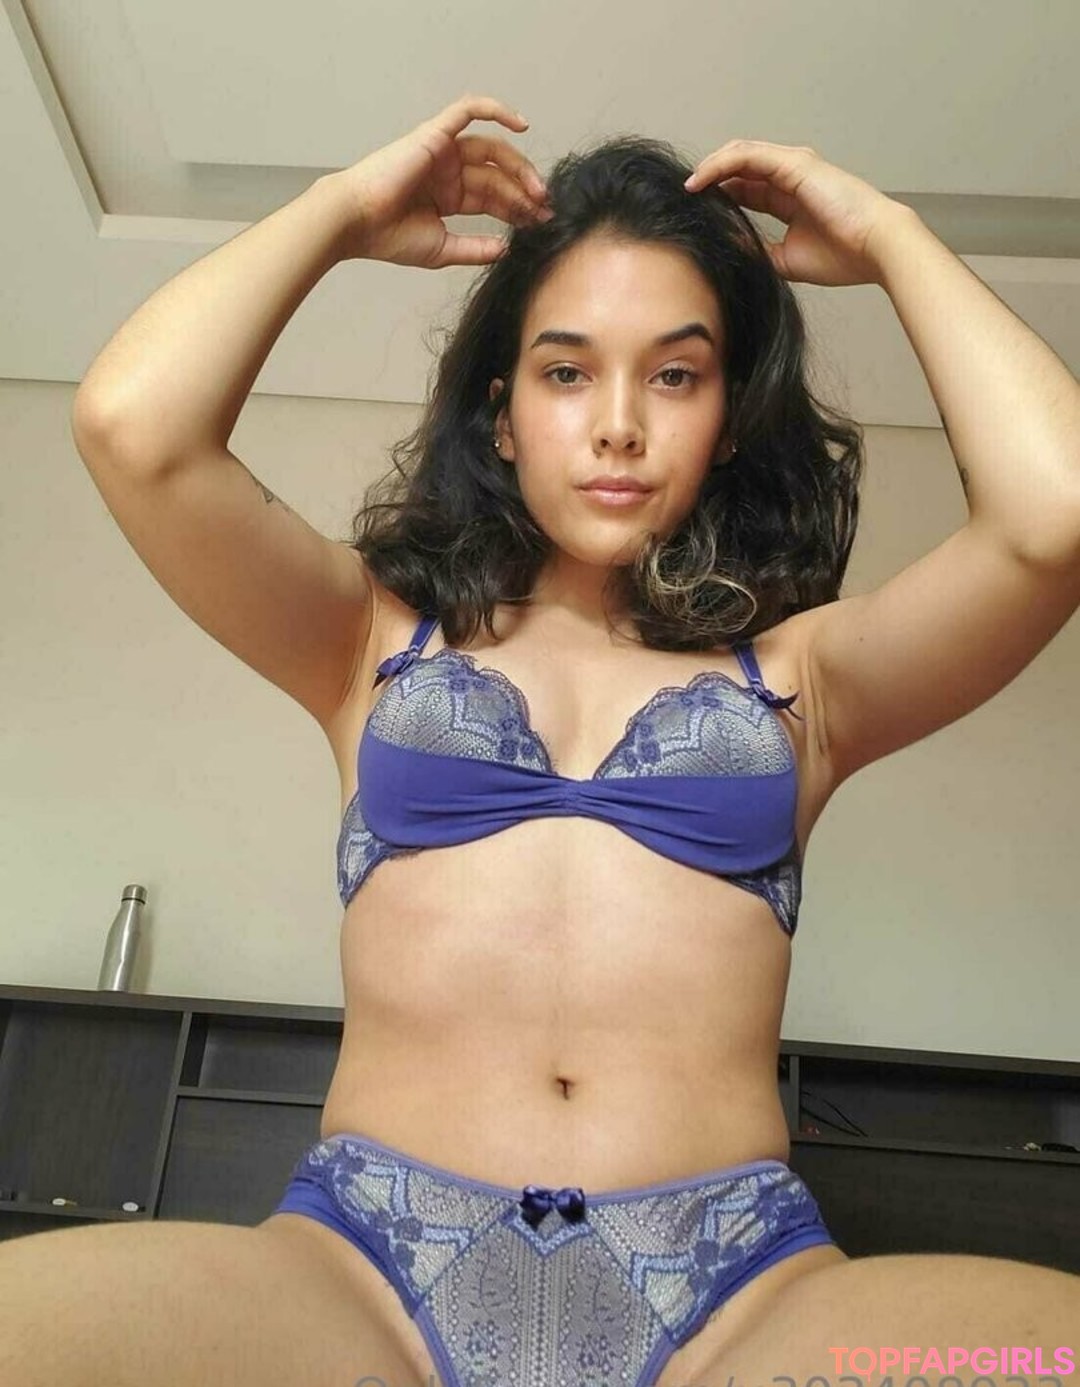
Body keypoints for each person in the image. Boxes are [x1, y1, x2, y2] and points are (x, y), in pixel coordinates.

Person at [11, 92, 1079, 1386]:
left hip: (735, 1298)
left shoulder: (806, 682)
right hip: (364, 1273)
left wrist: (895, 235)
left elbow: (1054, 517)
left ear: (727, 421)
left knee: (1041, 1358)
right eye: (568, 371)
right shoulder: (365, 642)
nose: (619, 421)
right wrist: (340, 210)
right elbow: (134, 428)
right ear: (504, 414)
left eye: (675, 374)